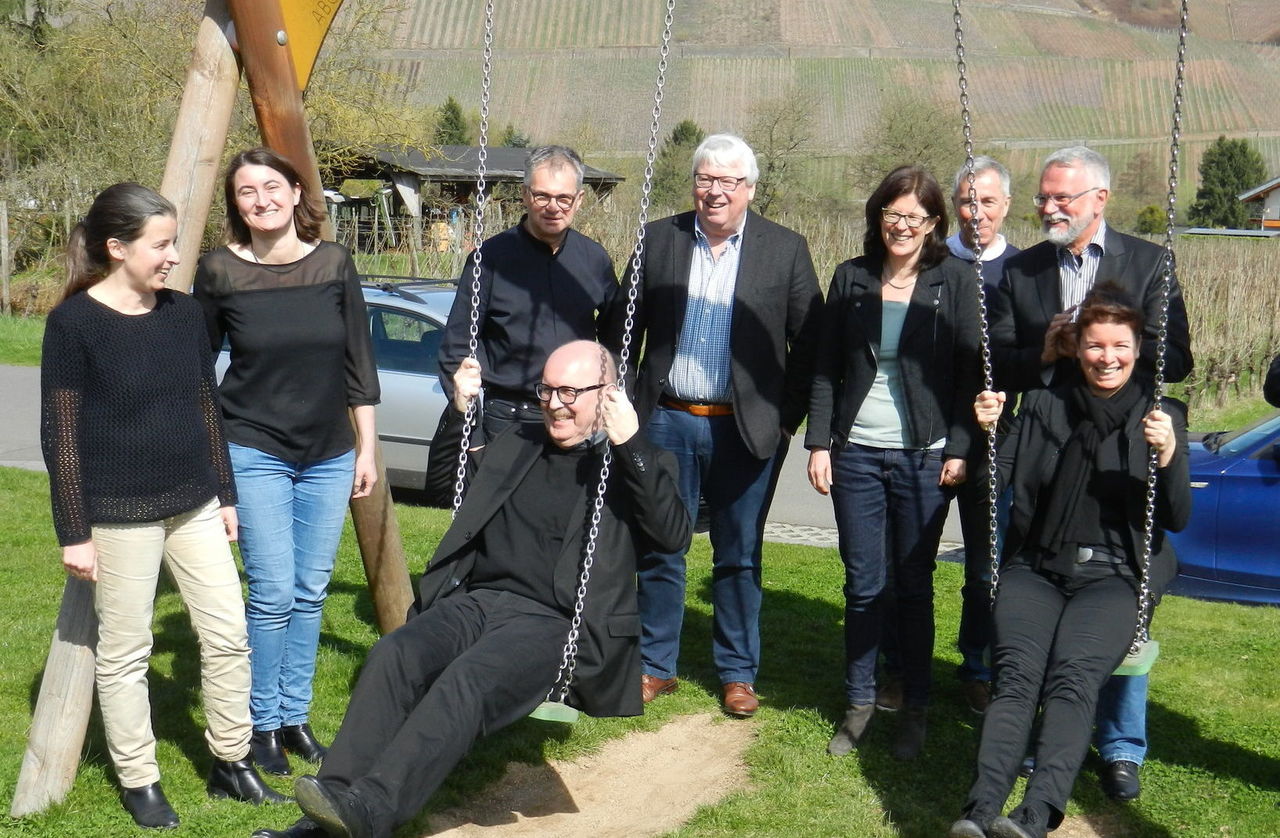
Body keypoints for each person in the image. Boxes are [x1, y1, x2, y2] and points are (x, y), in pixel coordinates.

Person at [248, 340, 690, 838]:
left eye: (570, 391)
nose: (553, 403)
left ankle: (372, 810)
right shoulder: (520, 440)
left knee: (468, 683)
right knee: (394, 655)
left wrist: (629, 444)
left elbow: (671, 536)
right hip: (478, 601)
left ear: (607, 394)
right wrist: (459, 412)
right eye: (546, 389)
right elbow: (441, 483)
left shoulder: (632, 461)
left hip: (555, 621)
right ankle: (332, 805)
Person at [40, 183, 285, 829]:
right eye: (161, 244)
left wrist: (226, 495)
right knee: (127, 652)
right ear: (117, 248)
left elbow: (208, 406)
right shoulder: (74, 325)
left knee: (228, 633)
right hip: (118, 513)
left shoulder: (182, 315)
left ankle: (232, 762)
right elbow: (59, 434)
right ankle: (140, 779)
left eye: (174, 241)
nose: (173, 255)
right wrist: (75, 532)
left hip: (195, 502)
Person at [987, 145, 1193, 801]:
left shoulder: (1149, 261)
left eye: (1062, 198)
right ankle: (1041, 739)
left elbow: (1179, 358)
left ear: (1098, 200)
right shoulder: (1021, 270)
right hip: (1049, 448)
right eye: (1043, 196)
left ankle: (1121, 746)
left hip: (1124, 446)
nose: (1047, 208)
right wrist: (1046, 351)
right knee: (1040, 597)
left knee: (1124, 597)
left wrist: (1111, 343)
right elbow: (998, 363)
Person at [950, 285, 1190, 838]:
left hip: (1114, 576)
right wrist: (990, 433)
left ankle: (1037, 813)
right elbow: (991, 488)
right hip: (1037, 568)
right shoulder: (1040, 404)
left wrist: (1170, 454)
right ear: (1076, 348)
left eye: (1120, 346)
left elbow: (1175, 517)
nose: (1108, 357)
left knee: (1072, 681)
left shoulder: (1160, 415)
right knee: (1015, 679)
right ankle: (981, 809)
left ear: (1138, 349)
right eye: (1096, 345)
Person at [602, 133, 822, 717]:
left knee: (740, 554)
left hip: (746, 431)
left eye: (727, 181)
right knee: (660, 547)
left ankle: (737, 673)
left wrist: (784, 419)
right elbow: (624, 331)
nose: (714, 191)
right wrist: (623, 406)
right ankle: (655, 665)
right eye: (705, 179)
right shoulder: (659, 240)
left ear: (749, 189)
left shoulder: (785, 249)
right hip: (666, 421)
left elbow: (813, 345)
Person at [194, 148, 381, 777]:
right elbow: (197, 368)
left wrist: (368, 447)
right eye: (247, 191)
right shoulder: (219, 272)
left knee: (310, 589)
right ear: (235, 204)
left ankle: (294, 716)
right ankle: (258, 723)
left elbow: (359, 360)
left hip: (329, 452)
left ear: (298, 192)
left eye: (272, 187)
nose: (261, 200)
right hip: (254, 447)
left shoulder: (333, 263)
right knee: (271, 591)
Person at [805, 166, 981, 760]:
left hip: (925, 456)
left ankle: (918, 704)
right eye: (892, 214)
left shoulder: (954, 281)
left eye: (916, 217)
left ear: (934, 223)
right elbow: (827, 367)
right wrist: (820, 442)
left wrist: (958, 448)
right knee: (862, 586)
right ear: (877, 216)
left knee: (913, 586)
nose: (902, 226)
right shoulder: (850, 277)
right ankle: (858, 702)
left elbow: (966, 373)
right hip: (856, 453)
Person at [429, 145, 619, 503]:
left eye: (564, 198)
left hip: (575, 421)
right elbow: (457, 347)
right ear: (525, 195)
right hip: (507, 421)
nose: (553, 207)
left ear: (579, 200)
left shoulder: (594, 261)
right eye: (542, 195)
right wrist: (474, 431)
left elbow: (615, 346)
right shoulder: (490, 260)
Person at [945, 156, 1021, 715]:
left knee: (985, 565)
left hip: (995, 444)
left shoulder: (1024, 270)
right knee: (907, 562)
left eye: (988, 202)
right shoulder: (929, 262)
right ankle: (899, 663)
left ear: (1006, 206)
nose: (978, 213)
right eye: (968, 202)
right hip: (925, 439)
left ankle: (978, 665)